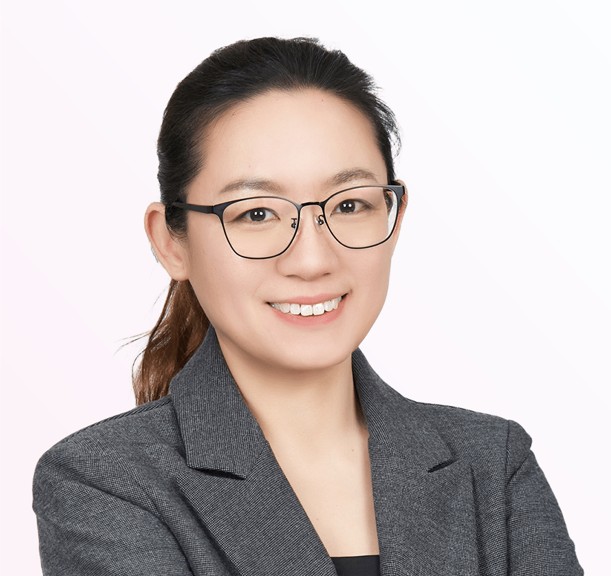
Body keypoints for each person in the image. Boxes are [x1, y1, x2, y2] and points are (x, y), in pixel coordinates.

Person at [32, 37, 582, 575]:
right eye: (256, 213)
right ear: (171, 242)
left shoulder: (491, 465)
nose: (313, 259)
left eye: (349, 205)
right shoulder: (104, 483)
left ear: (395, 218)